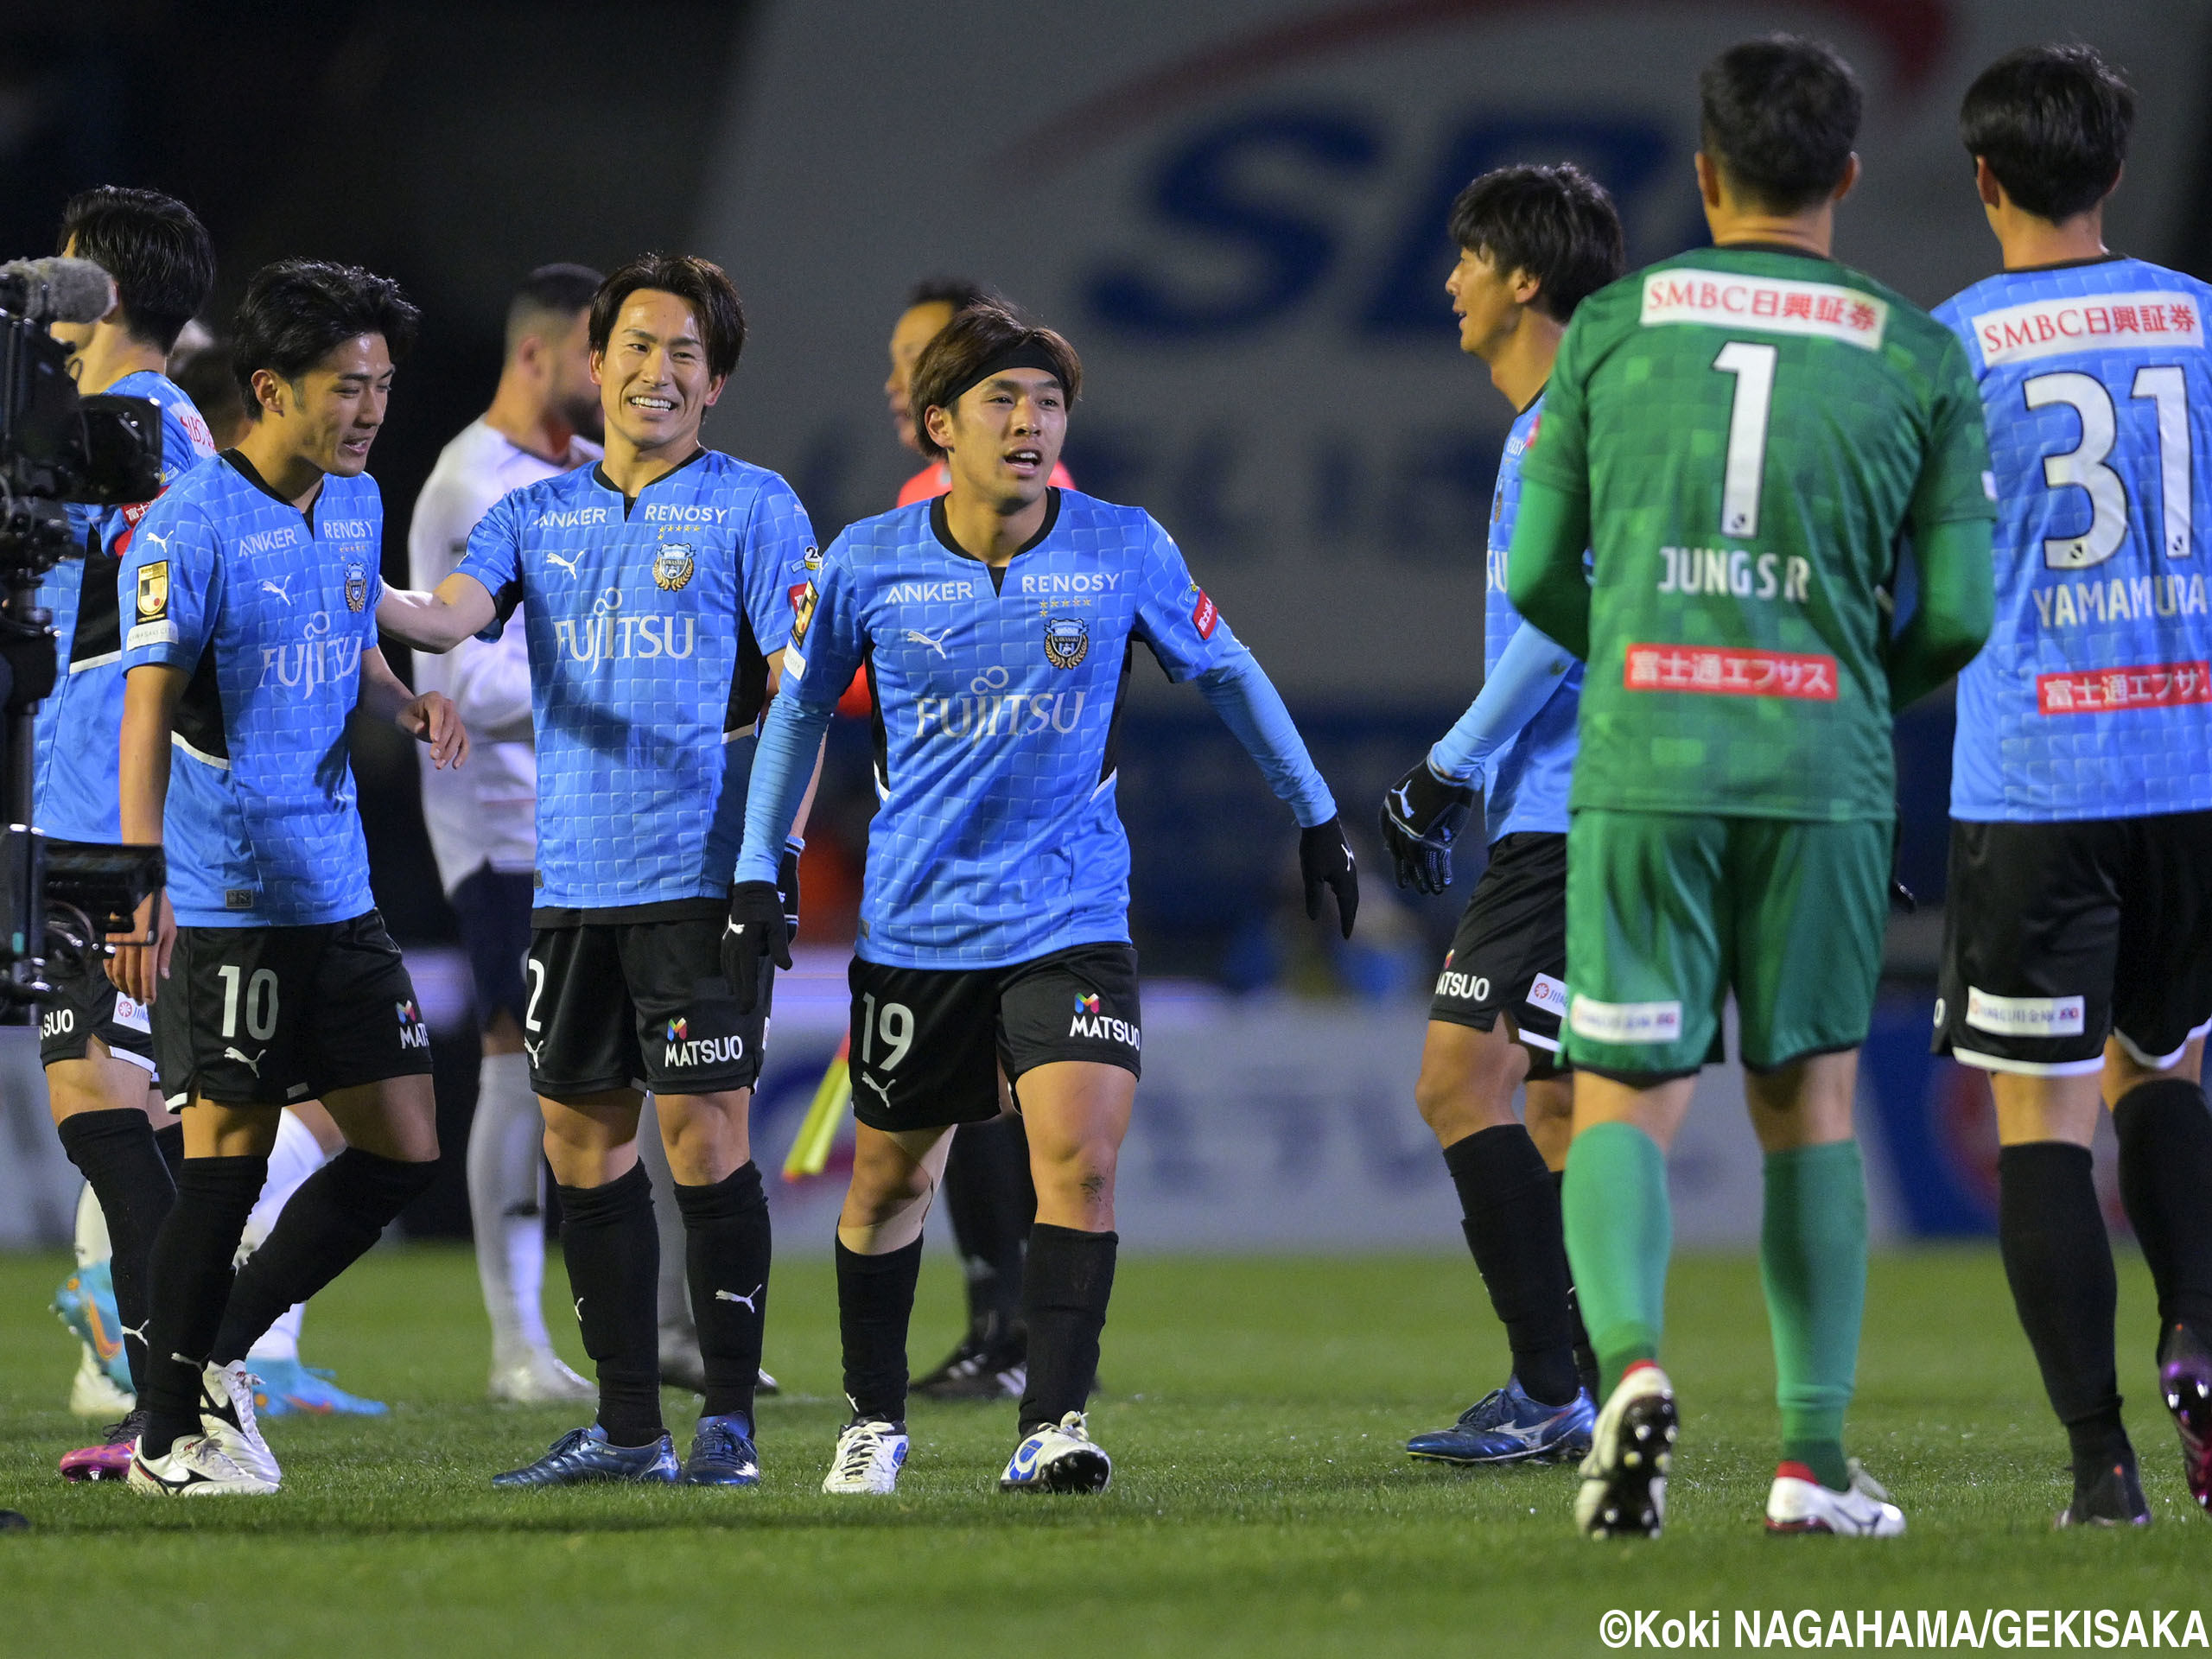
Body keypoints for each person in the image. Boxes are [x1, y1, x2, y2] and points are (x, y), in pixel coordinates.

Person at [721, 300, 1360, 1497]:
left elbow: (1228, 672)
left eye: (1049, 404)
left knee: (1081, 1159)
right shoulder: (866, 559)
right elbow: (798, 711)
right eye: (1004, 403)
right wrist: (765, 864)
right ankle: (873, 1420)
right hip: (918, 927)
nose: (1030, 424)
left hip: (1072, 914)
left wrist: (1317, 813)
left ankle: (1052, 1422)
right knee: (889, 1179)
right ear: (939, 427)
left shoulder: (1122, 545)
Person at [1507, 35, 1996, 1538]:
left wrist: (1652, 651)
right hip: (1818, 772)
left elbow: (1534, 572)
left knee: (1622, 1105)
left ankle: (1635, 1373)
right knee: (1811, 1109)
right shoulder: (1919, 350)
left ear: (1703, 172)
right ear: (1849, 174)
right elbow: (1964, 615)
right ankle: (1809, 1461)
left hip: (1646, 763)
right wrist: (1850, 681)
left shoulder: (1611, 329)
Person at [378, 253, 813, 1489]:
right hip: (568, 888)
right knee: (581, 1149)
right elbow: (448, 621)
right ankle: (631, 1429)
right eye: (636, 346)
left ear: (715, 381)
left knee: (707, 1142)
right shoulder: (535, 514)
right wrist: (337, 568)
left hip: (699, 881)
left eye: (684, 354)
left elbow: (800, 680)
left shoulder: (754, 507)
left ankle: (725, 1423)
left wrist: (767, 853)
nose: (655, 373)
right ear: (597, 356)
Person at [112, 259, 465, 1496]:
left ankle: (212, 1355)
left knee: (404, 1142)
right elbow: (145, 702)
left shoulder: (357, 498)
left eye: (380, 385)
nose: (371, 408)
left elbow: (351, 625)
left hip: (337, 883)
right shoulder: (190, 525)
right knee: (228, 1155)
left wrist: (402, 703)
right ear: (270, 387)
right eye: (346, 386)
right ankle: (164, 1437)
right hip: (227, 895)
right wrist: (138, 875)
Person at [1931, 42, 2212, 1528]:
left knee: (2044, 1122)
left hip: (2036, 773)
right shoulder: (2201, 322)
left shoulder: (1955, 344)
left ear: (1984, 180)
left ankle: (2103, 1466)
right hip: (2188, 766)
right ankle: (2202, 1336)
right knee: (2163, 1070)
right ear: (2113, 169)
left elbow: (1907, 581)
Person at [1379, 164, 1622, 1467]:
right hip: (1602, 802)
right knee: (1557, 1104)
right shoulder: (1589, 410)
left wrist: (1448, 766)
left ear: (1524, 278)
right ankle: (1584, 1384)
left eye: (1469, 256)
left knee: (1458, 1077)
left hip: (1571, 812)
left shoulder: (1563, 424)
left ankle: (1555, 1384)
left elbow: (1558, 628)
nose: (1451, 280)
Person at [35, 186, 217, 1473]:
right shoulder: (169, 430)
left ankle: (185, 1405)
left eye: (59, 265)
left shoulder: (122, 436)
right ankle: (180, 1403)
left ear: (99, 286)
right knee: (130, 1108)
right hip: (98, 815)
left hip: (105, 818)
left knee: (100, 1093)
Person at [407, 262, 605, 1405]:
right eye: (599, 351)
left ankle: (638, 1326)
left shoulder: (586, 475)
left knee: (592, 1073)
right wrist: (599, 686)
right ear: (537, 354)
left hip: (592, 821)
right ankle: (515, 1342)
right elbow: (452, 681)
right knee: (514, 1065)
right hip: (500, 825)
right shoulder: (465, 485)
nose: (616, 375)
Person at [884, 276, 1071, 1402]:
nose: (900, 383)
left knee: (986, 1100)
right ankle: (1011, 1332)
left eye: (919, 359)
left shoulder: (950, 503)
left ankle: (1007, 1333)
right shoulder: (1037, 498)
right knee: (995, 1102)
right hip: (991, 857)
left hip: (981, 864)